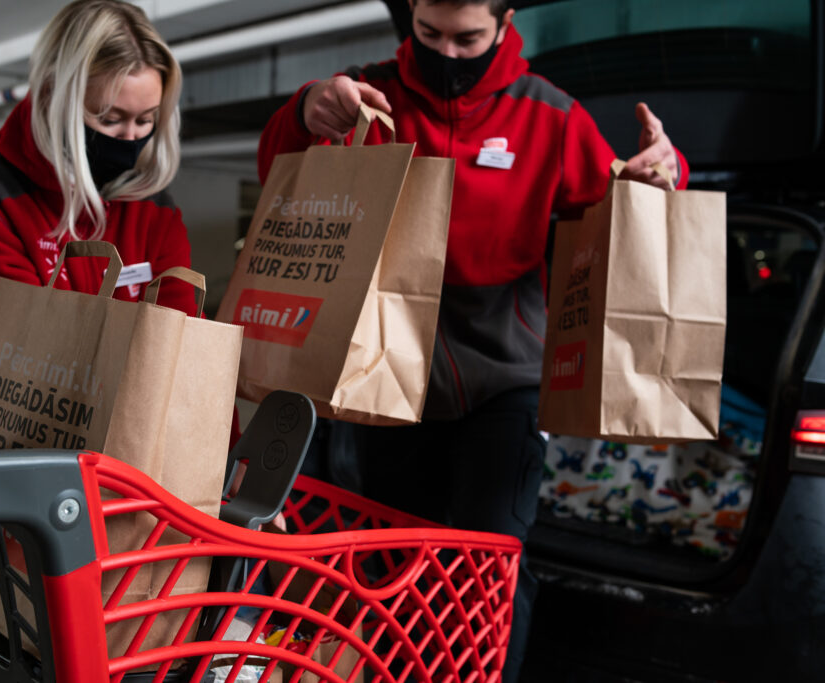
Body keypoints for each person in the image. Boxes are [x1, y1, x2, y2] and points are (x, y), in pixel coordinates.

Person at [257, 0, 688, 681]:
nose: (448, 55)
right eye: (429, 34)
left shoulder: (550, 114)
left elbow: (617, 203)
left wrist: (660, 179)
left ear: (506, 19)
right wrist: (305, 109)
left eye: (469, 38)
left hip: (505, 379)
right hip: (392, 377)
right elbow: (284, 180)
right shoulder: (370, 93)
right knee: (393, 571)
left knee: (489, 569)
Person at [0, 0, 196, 415]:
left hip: (111, 428)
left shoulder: (153, 207)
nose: (130, 137)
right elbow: (19, 352)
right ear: (54, 97)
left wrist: (222, 443)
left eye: (146, 119)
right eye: (110, 117)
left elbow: (182, 340)